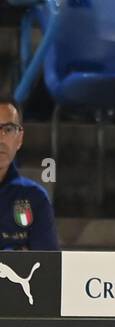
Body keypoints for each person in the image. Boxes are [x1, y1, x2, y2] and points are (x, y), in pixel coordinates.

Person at [0, 99, 58, 251]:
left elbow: (46, 267)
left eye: (9, 129)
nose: (1, 138)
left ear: (19, 139)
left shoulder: (34, 198)